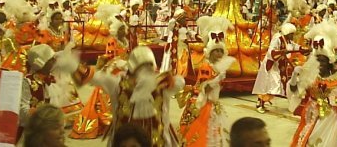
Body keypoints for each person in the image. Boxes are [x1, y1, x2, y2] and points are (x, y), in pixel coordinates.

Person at [74, 45, 184, 147]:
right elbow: (180, 82)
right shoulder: (163, 83)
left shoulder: (118, 83)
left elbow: (93, 77)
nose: (144, 74)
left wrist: (72, 66)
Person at [288, 20, 337, 147]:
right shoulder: (309, 75)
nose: (320, 65)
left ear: (330, 60)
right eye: (317, 61)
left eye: (323, 61)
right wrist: (294, 77)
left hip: (334, 117)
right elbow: (295, 91)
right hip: (313, 116)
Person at [179, 16, 236, 146]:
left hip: (212, 103)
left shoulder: (217, 68)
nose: (219, 54)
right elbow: (205, 89)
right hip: (203, 104)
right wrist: (218, 79)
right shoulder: (206, 67)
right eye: (215, 51)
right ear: (209, 53)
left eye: (221, 51)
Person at [252, 22, 301, 113]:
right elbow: (272, 52)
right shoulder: (277, 38)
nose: (292, 36)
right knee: (267, 86)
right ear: (287, 33)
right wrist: (282, 52)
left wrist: (303, 49)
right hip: (271, 66)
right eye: (291, 34)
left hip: (279, 67)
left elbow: (294, 46)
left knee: (274, 86)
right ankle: (259, 103)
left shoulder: (287, 40)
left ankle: (263, 102)